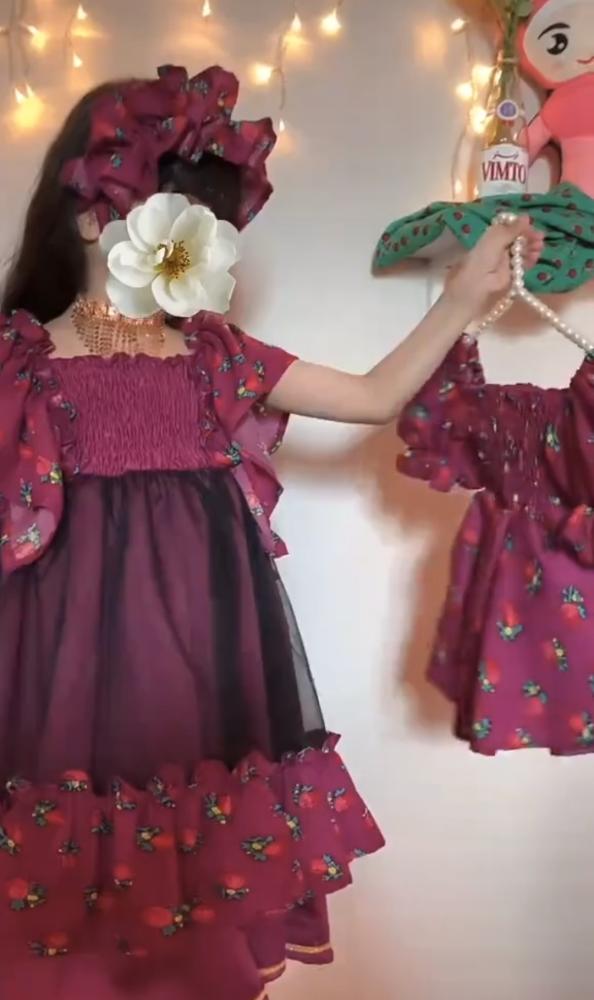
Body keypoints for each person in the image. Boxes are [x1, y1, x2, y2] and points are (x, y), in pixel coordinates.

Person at [0, 64, 542, 1000]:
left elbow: (372, 397)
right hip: (58, 683)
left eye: (209, 223)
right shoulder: (21, 364)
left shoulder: (216, 359)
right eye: (172, 213)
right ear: (89, 217)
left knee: (191, 908)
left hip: (202, 675)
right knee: (66, 911)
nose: (194, 241)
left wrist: (461, 296)